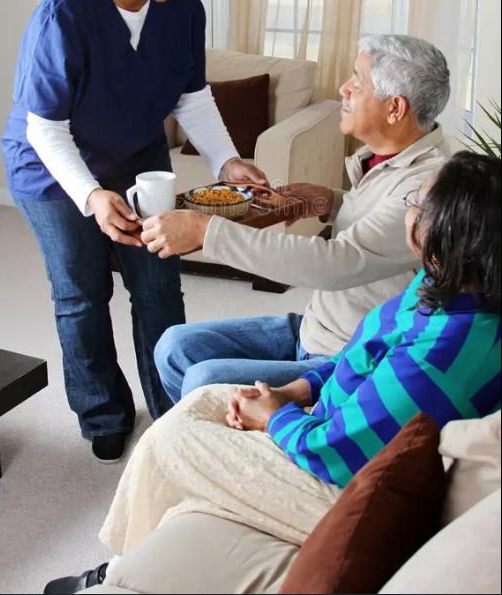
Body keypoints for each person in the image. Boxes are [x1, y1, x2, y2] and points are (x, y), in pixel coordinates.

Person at [44, 151, 501, 594]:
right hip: (327, 408)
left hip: (332, 481)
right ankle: (138, 558)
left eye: (417, 204)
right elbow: (358, 360)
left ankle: (118, 570)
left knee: (171, 438)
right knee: (205, 399)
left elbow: (334, 452)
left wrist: (273, 418)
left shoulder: (441, 357)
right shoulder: (438, 288)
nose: (409, 210)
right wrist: (292, 391)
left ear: (449, 231)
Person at [1, 0, 266, 463]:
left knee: (158, 285)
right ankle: (103, 414)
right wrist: (93, 196)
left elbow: (191, 97)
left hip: (138, 158)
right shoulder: (66, 15)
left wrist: (227, 159)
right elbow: (45, 129)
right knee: (81, 292)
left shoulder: (182, 7)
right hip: (54, 171)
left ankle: (172, 407)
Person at [144, 34, 451, 402]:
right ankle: (197, 436)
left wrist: (206, 231)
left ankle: (242, 442)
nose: (343, 88)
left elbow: (335, 263)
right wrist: (332, 201)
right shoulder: (388, 158)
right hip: (317, 329)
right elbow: (379, 232)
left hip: (348, 357)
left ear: (395, 108)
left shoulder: (424, 189)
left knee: (204, 381)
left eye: (358, 81)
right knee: (174, 346)